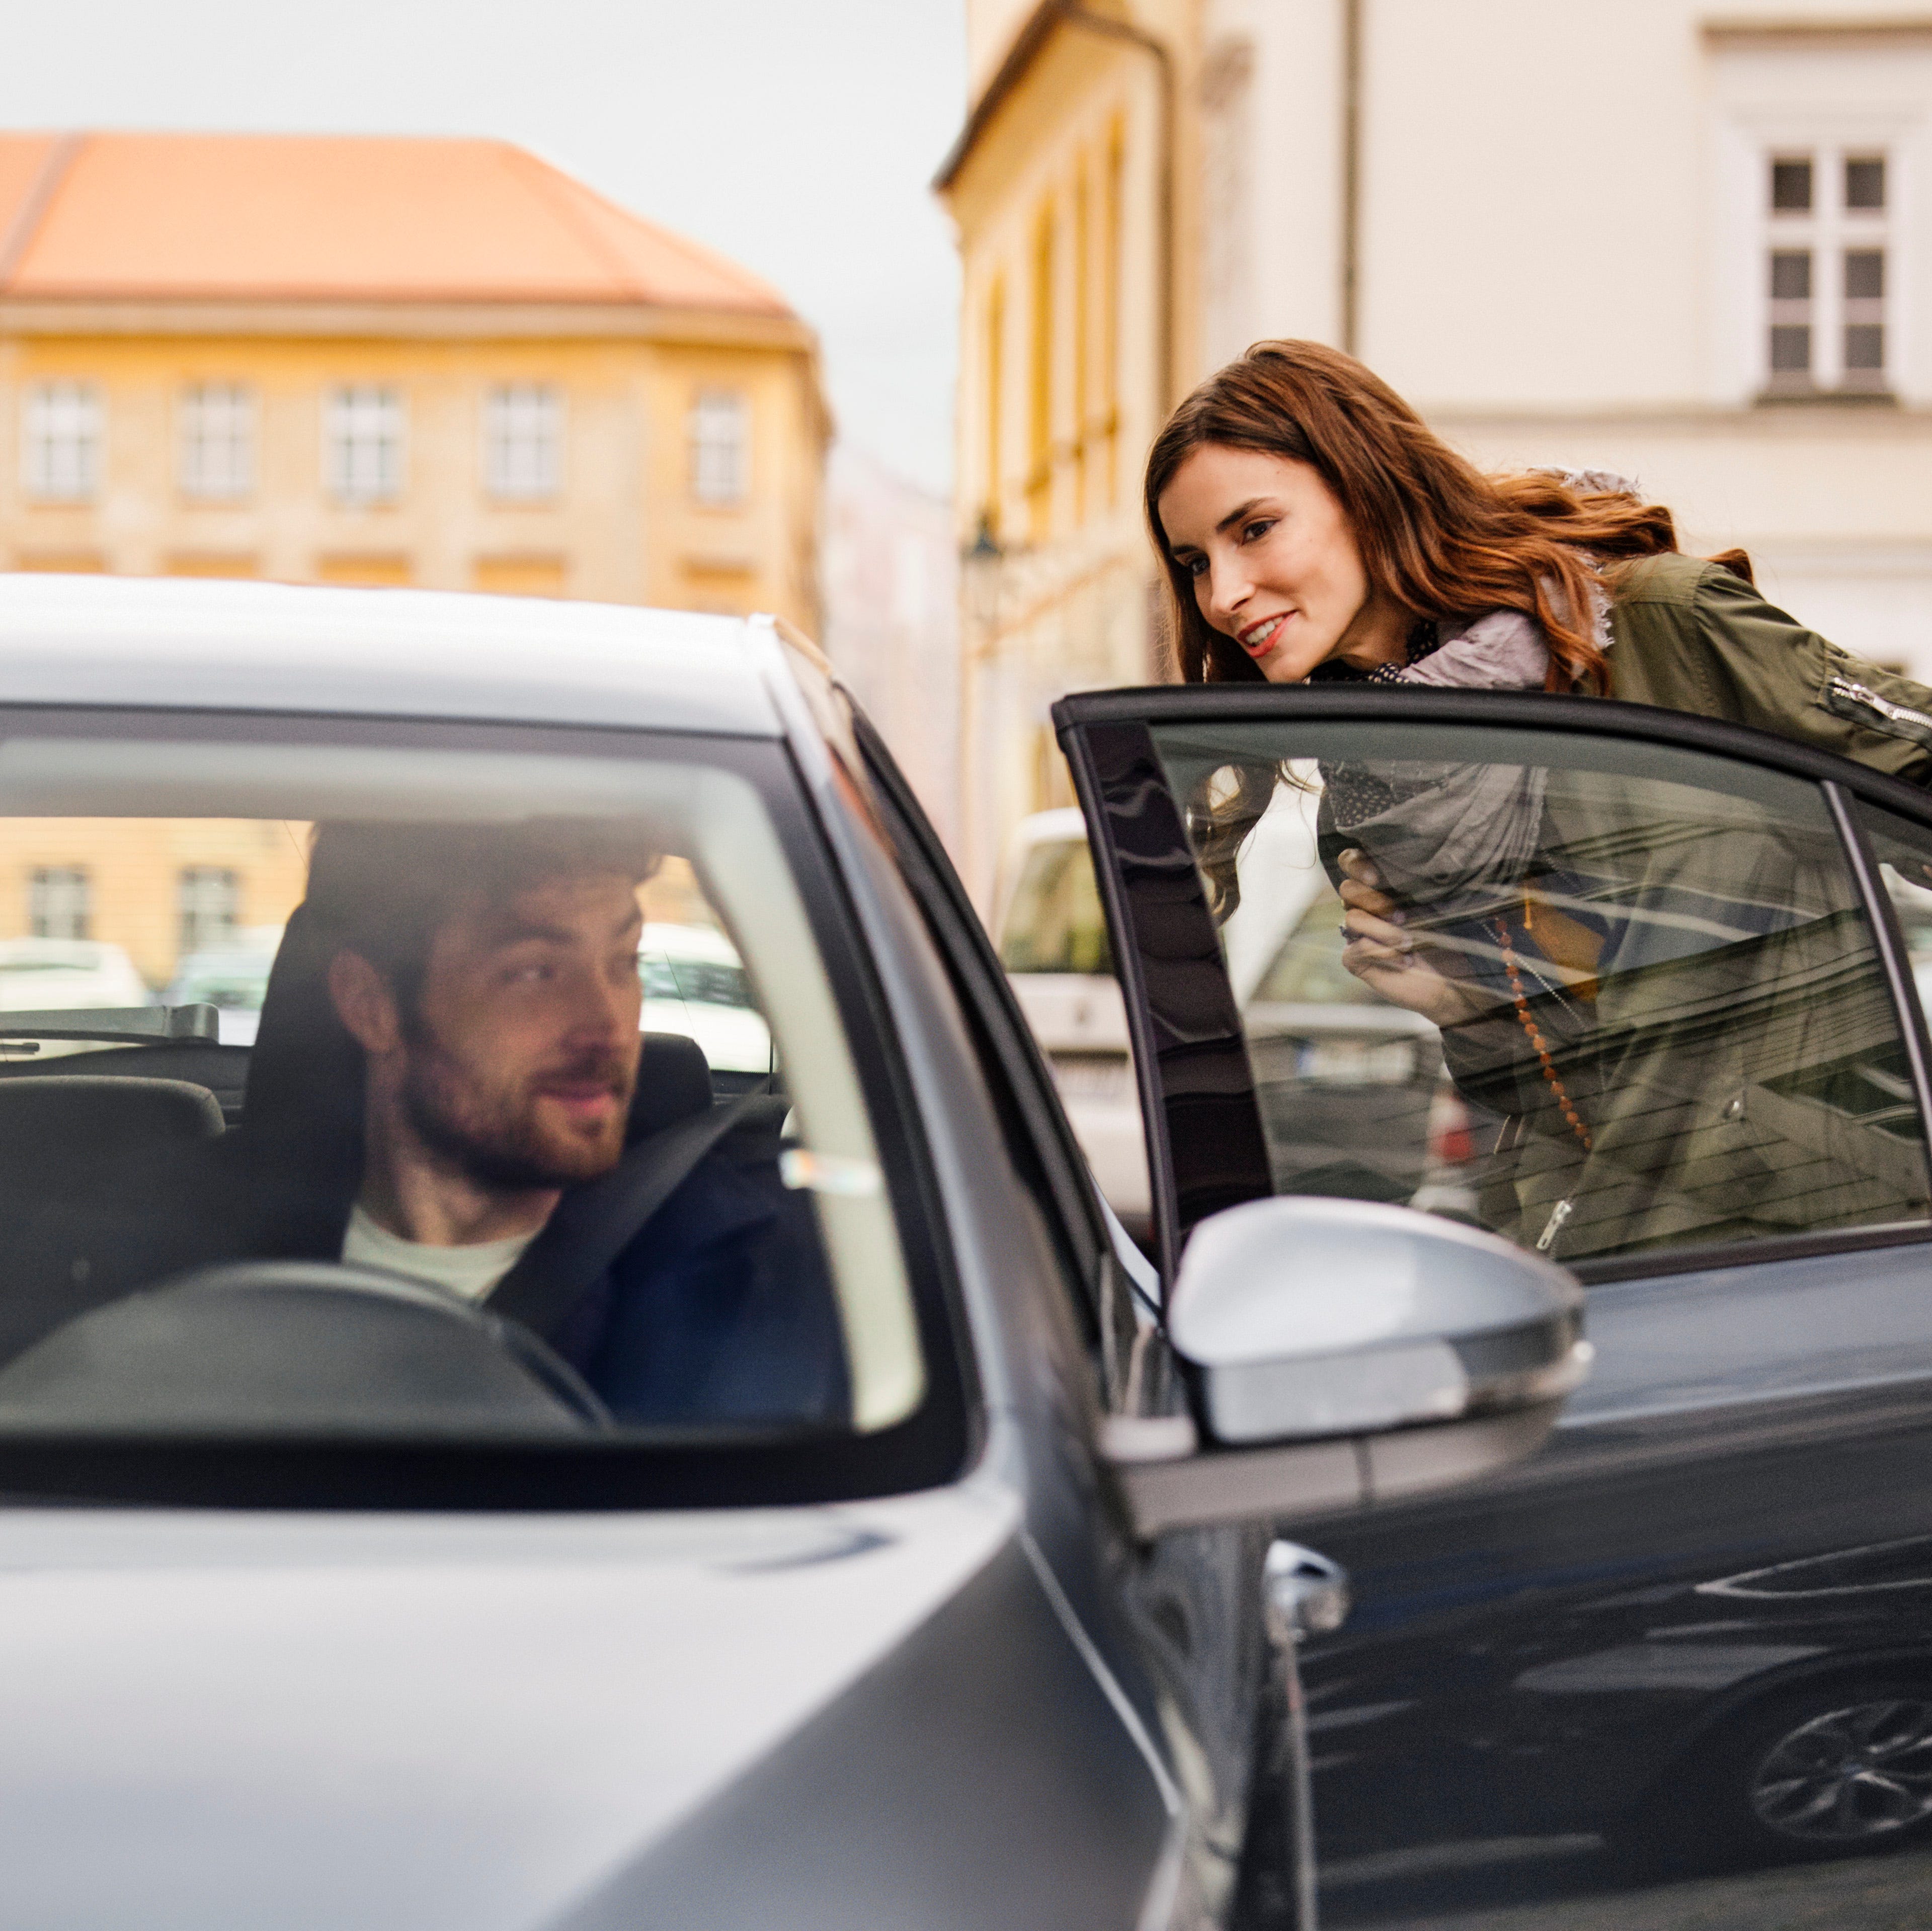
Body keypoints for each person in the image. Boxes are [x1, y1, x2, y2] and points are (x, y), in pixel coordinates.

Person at [1145, 341, 1932, 1257]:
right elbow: (1565, 1098)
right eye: (1194, 562)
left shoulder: (1660, 629)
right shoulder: (1368, 786)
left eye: (1254, 529)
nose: (1225, 594)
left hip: (1828, 1251)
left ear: (1368, 488)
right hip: (1601, 1257)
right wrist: (1463, 1011)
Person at [7, 819, 846, 1425]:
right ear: (371, 1006)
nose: (609, 1023)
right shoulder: (144, 1266)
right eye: (533, 971)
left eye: (622, 962)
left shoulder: (772, 1278)